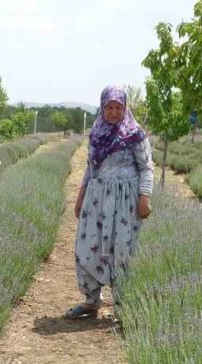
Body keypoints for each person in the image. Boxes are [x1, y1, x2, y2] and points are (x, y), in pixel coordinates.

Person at [65, 85, 153, 319]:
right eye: (109, 107)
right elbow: (90, 168)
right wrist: (80, 198)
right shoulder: (96, 133)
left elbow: (146, 168)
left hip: (126, 201)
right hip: (97, 198)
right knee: (89, 247)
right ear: (102, 108)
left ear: (125, 108)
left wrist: (145, 198)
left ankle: (122, 305)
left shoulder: (135, 134)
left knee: (123, 249)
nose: (114, 112)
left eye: (119, 107)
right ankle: (92, 301)